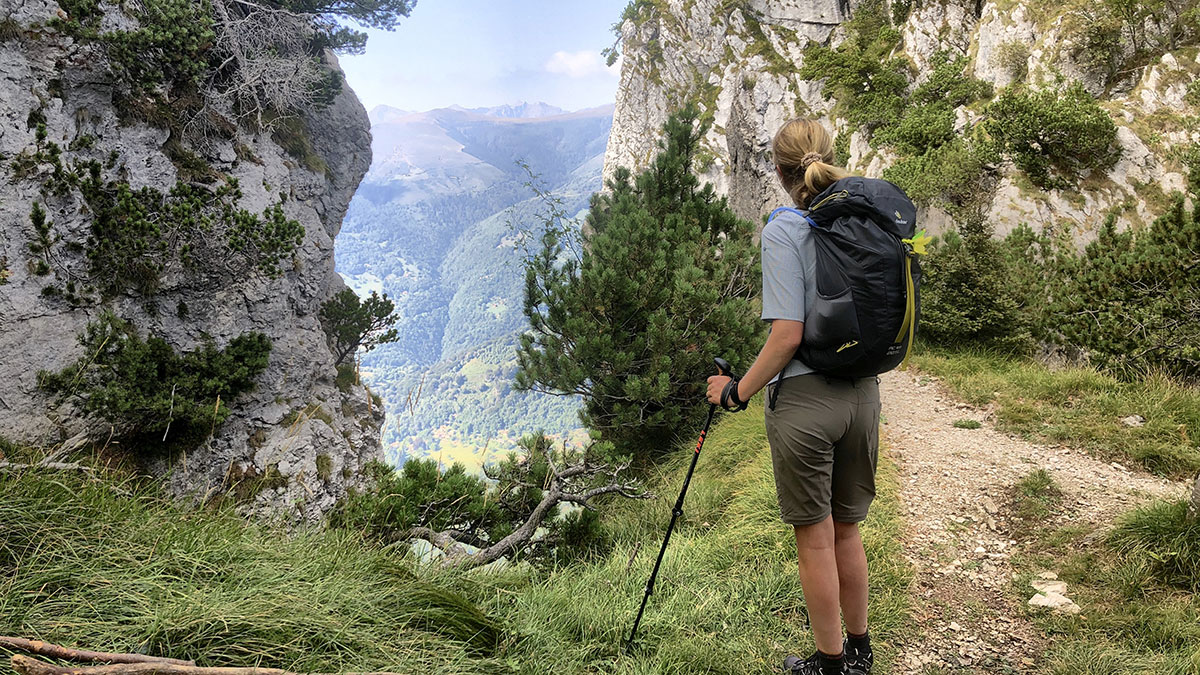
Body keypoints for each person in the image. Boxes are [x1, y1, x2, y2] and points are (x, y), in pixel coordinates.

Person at [706, 119, 880, 675]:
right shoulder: (866, 221)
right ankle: (858, 652)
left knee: (816, 538)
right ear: (830, 158)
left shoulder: (785, 229)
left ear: (780, 173)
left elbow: (787, 335)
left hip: (806, 403)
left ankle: (828, 665)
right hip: (863, 396)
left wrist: (736, 392)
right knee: (848, 529)